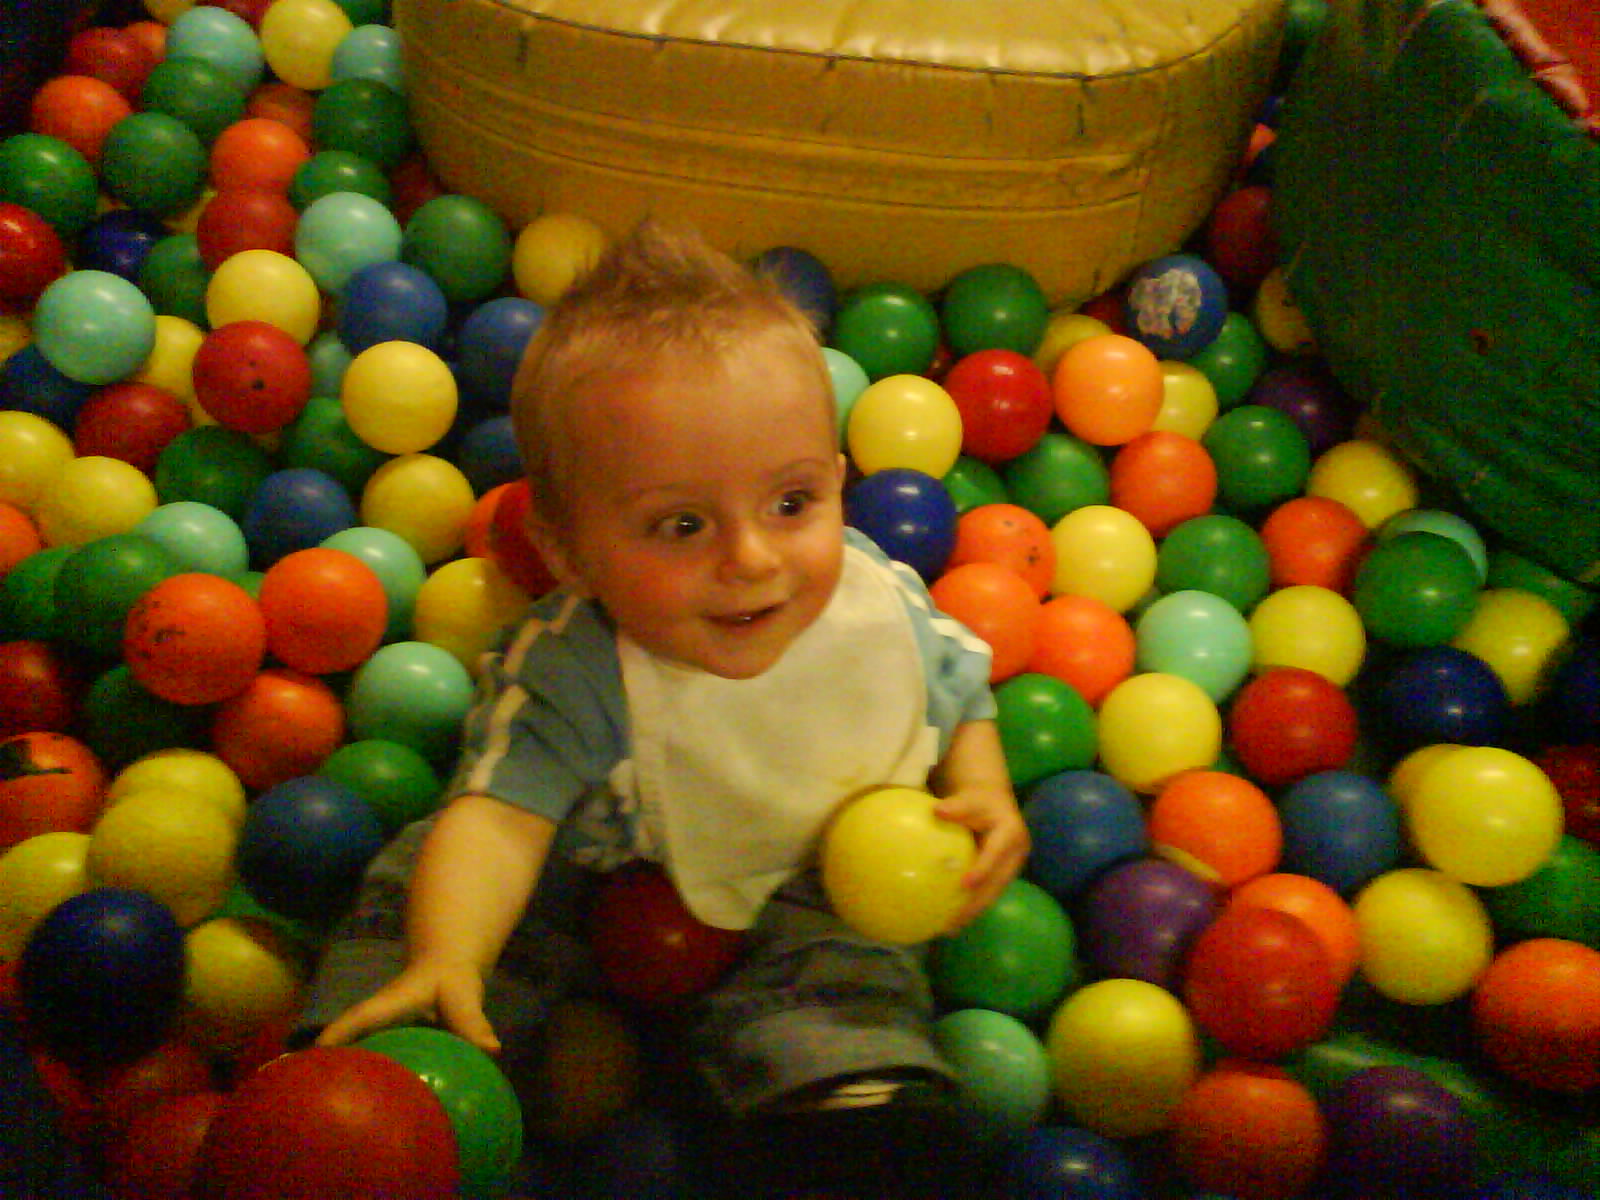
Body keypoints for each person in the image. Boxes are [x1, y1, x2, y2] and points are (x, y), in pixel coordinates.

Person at [299, 220, 1029, 1196]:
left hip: (809, 859)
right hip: (582, 859)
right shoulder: (575, 665)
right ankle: (387, 1080)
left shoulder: (876, 604)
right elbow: (499, 820)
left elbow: (957, 685)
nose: (752, 558)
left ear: (839, 482)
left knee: (849, 964)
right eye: (682, 524)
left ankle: (842, 1106)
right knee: (427, 882)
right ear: (567, 550)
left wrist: (981, 792)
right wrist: (447, 951)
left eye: (791, 502)